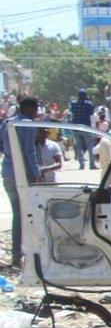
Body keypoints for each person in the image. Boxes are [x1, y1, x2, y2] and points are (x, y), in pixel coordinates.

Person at [0, 97, 41, 265]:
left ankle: (18, 252)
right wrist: (36, 172)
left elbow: (2, 146)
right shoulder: (28, 125)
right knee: (28, 214)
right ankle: (25, 253)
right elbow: (29, 151)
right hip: (22, 175)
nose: (37, 112)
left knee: (18, 214)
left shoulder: (7, 123)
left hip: (8, 172)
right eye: (36, 108)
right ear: (30, 108)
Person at [69, 88, 96, 170]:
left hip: (76, 128)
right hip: (86, 128)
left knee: (79, 147)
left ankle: (81, 165)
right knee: (90, 147)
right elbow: (91, 113)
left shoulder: (73, 104)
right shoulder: (89, 104)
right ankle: (92, 165)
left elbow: (72, 112)